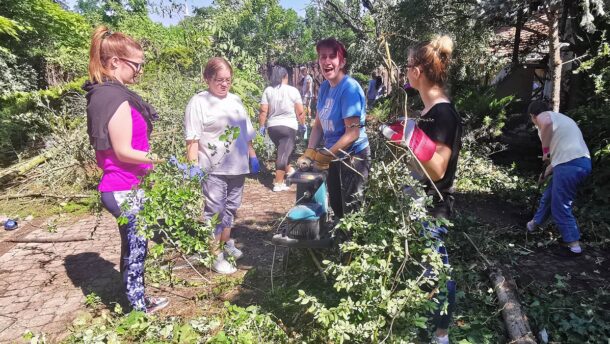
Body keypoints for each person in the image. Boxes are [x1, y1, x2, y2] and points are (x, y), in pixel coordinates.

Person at [84, 26, 168, 313]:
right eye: (137, 65)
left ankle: (136, 300)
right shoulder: (114, 98)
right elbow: (122, 151)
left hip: (126, 185)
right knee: (136, 249)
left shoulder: (108, 94)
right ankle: (137, 309)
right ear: (116, 62)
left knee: (135, 245)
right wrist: (162, 160)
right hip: (122, 187)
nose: (138, 72)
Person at [397, 35, 462, 344]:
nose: (405, 71)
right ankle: (424, 319)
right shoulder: (429, 111)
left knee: (439, 269)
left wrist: (410, 138)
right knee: (425, 267)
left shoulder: (443, 114)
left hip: (432, 206)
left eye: (407, 66)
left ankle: (442, 333)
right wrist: (403, 133)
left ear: (418, 72)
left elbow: (437, 168)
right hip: (418, 202)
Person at [184, 57, 259, 275]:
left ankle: (226, 244)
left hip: (237, 166)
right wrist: (193, 167)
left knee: (231, 209)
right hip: (212, 168)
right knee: (214, 212)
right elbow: (192, 139)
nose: (224, 84)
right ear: (207, 78)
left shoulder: (235, 100)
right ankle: (214, 255)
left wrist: (252, 155)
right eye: (219, 80)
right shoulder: (198, 102)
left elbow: (246, 131)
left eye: (228, 80)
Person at [297, 38, 370, 220]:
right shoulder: (324, 88)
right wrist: (310, 151)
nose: (327, 61)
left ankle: (352, 247)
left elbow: (353, 133)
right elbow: (319, 125)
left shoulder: (349, 89)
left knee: (353, 211)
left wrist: (327, 154)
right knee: (337, 206)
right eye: (323, 57)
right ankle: (340, 244)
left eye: (332, 57)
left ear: (342, 61)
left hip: (353, 158)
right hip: (334, 155)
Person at [526, 100, 591, 257]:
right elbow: (557, 161)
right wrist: (544, 175)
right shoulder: (562, 119)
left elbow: (546, 123)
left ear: (533, 116)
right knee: (549, 195)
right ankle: (533, 224)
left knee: (560, 204)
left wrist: (545, 150)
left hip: (569, 164)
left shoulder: (545, 117)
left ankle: (574, 245)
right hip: (579, 163)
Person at [259, 66, 305, 191]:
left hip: (272, 127)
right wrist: (303, 124)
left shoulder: (268, 90)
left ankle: (290, 170)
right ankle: (278, 183)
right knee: (283, 154)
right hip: (288, 126)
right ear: (285, 76)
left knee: (283, 151)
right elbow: (300, 111)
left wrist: (261, 126)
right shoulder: (293, 90)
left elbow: (263, 110)